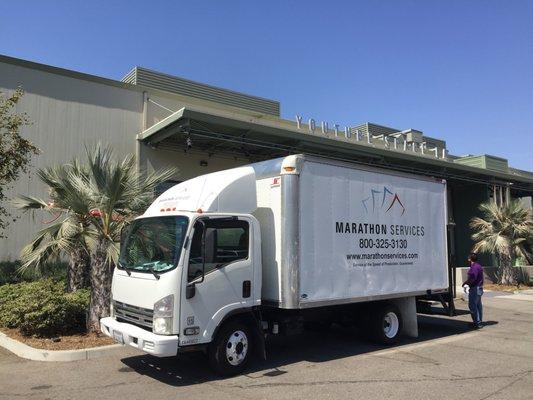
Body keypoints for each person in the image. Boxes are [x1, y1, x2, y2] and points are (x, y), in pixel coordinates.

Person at [462, 252, 484, 329]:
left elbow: (473, 277)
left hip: (475, 288)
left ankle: (477, 323)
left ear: (470, 259)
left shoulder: (474, 267)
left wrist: (466, 283)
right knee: (478, 306)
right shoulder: (478, 266)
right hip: (479, 287)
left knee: (472, 306)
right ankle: (479, 322)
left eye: (468, 258)